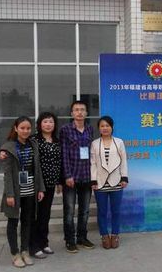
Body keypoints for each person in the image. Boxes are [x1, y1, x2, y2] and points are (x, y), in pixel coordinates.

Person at [0, 116, 45, 268]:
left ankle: (25, 251)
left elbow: (37, 169)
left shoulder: (33, 145)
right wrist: (10, 194)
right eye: (22, 128)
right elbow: (7, 174)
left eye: (28, 128)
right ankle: (15, 253)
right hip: (15, 192)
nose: (25, 131)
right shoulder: (8, 147)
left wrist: (41, 188)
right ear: (16, 128)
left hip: (30, 190)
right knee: (13, 222)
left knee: (27, 221)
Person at [59, 100, 95, 253]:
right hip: (71, 177)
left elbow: (92, 153)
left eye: (82, 109)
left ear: (86, 113)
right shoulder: (65, 130)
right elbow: (64, 154)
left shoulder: (90, 129)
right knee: (69, 211)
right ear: (72, 113)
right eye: (76, 110)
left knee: (84, 210)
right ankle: (69, 240)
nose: (79, 112)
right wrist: (67, 175)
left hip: (86, 176)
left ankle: (82, 237)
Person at [90, 116, 128, 249]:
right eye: (102, 126)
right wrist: (93, 180)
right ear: (99, 128)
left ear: (112, 127)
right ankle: (104, 235)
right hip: (100, 183)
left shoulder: (119, 142)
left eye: (107, 125)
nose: (105, 128)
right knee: (102, 211)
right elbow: (93, 163)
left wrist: (124, 177)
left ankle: (115, 235)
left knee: (116, 211)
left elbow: (123, 161)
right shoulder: (95, 143)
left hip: (116, 181)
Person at [30, 112, 62, 259]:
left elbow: (59, 162)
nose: (48, 124)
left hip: (50, 184)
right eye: (45, 122)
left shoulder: (56, 141)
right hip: (37, 185)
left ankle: (44, 242)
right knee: (35, 215)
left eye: (51, 122)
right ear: (39, 124)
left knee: (45, 215)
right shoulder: (34, 140)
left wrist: (59, 181)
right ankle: (33, 245)